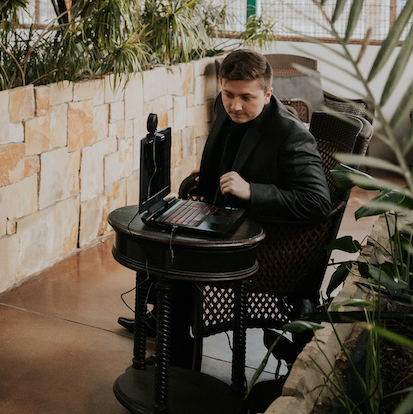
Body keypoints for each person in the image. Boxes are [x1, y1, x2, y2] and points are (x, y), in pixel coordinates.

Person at [120, 48, 332, 364]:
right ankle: (164, 323)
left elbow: (317, 202)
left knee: (178, 248)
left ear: (268, 93)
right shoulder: (227, 105)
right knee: (160, 227)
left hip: (264, 240)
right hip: (226, 219)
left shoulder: (291, 135)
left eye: (247, 97)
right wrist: (205, 181)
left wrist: (252, 191)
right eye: (229, 94)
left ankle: (175, 353)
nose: (234, 105)